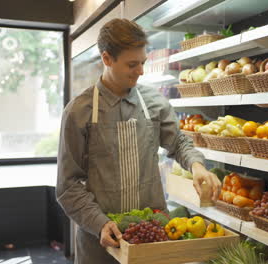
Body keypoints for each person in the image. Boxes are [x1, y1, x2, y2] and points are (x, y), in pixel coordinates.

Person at [56, 18, 221, 264]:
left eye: (142, 62)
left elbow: (178, 142)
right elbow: (68, 185)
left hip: (151, 236)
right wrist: (100, 223)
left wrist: (196, 166)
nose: (141, 71)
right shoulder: (79, 111)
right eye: (132, 64)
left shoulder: (154, 102)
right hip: (99, 244)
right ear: (107, 59)